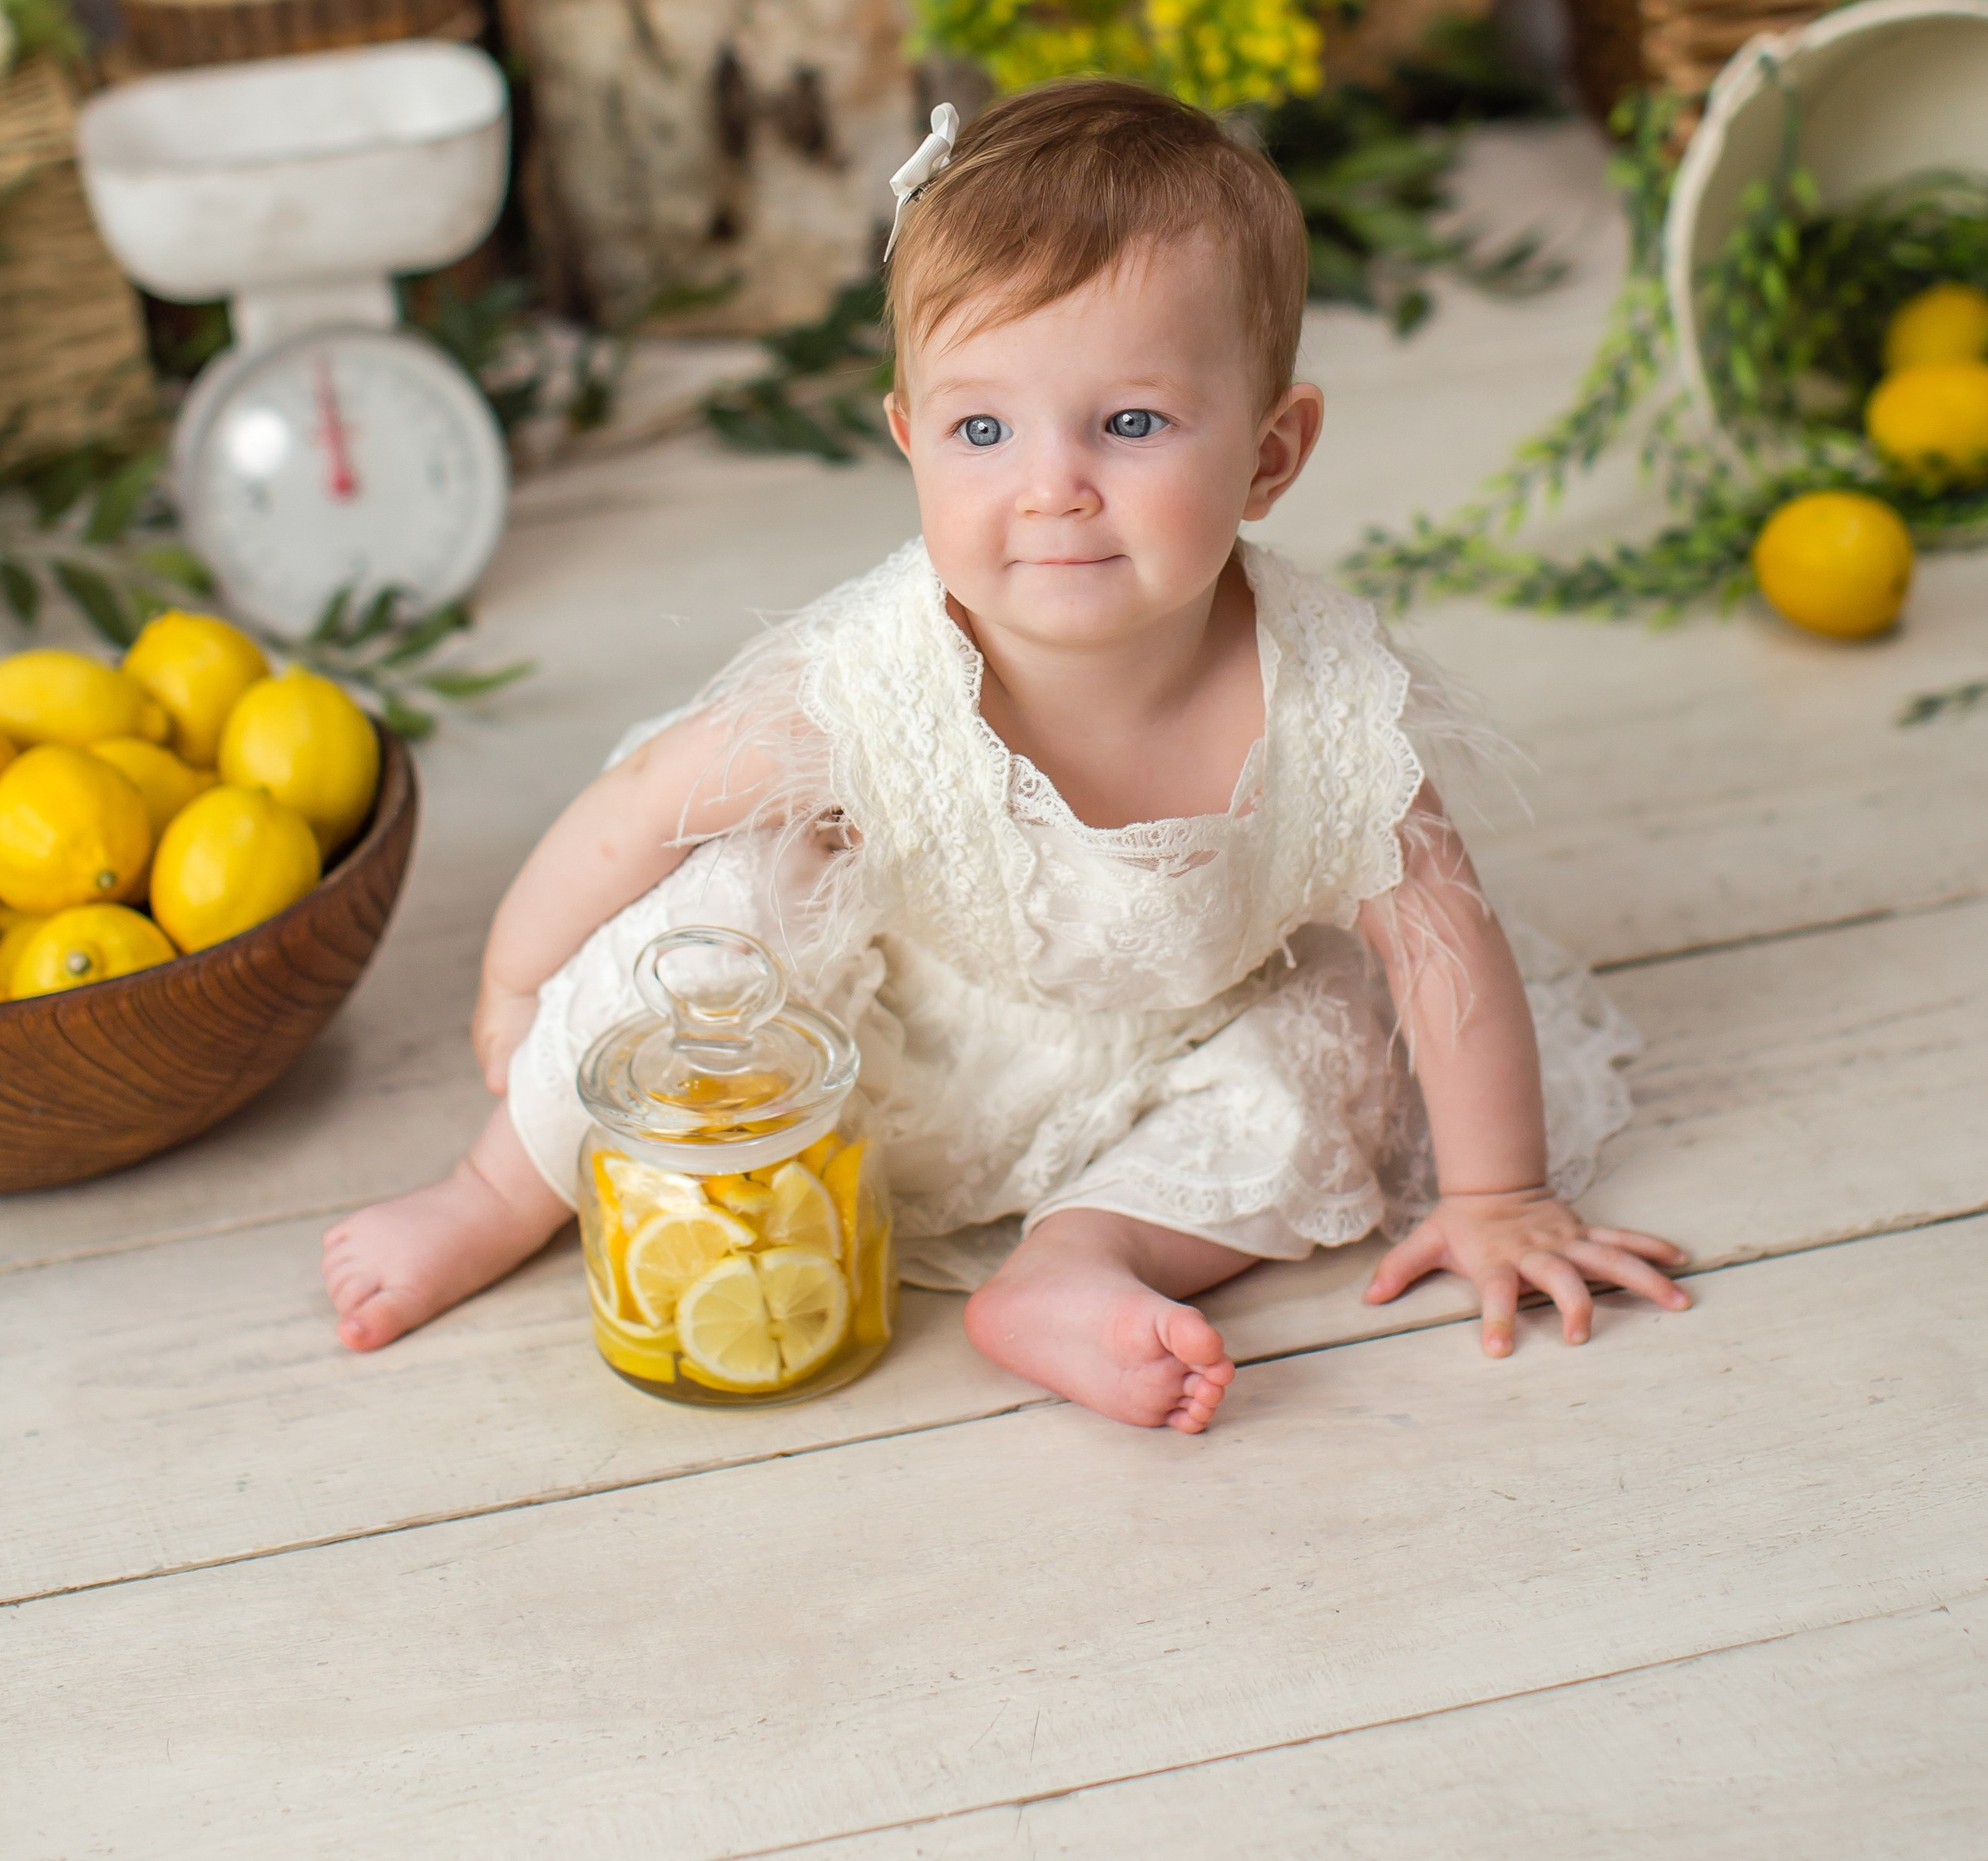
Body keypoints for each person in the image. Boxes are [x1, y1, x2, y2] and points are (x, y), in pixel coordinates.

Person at [324, 80, 1688, 1430]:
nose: (1053, 486)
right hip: (881, 1019)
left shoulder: (1322, 703)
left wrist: (1495, 1194)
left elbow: (1445, 939)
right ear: (913, 442)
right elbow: (639, 812)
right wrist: (516, 988)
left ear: (1273, 454)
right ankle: (499, 1192)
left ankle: (1083, 1258)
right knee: (718, 916)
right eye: (985, 430)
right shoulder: (877, 682)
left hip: (1181, 1030)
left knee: (1332, 1060)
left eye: (1132, 423)